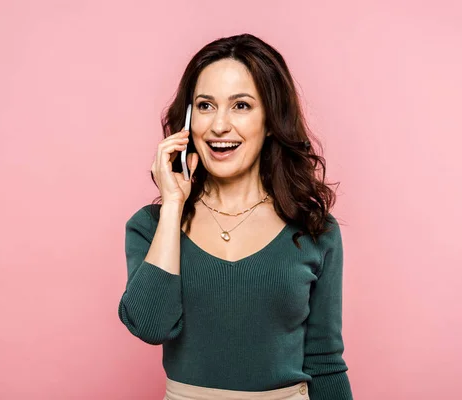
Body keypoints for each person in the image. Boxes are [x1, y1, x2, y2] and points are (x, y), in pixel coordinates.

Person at [118, 33, 353, 400]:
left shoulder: (314, 229)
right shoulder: (151, 225)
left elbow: (325, 361)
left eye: (241, 106)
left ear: (271, 120)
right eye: (206, 106)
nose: (219, 126)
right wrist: (172, 206)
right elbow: (151, 325)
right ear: (187, 122)